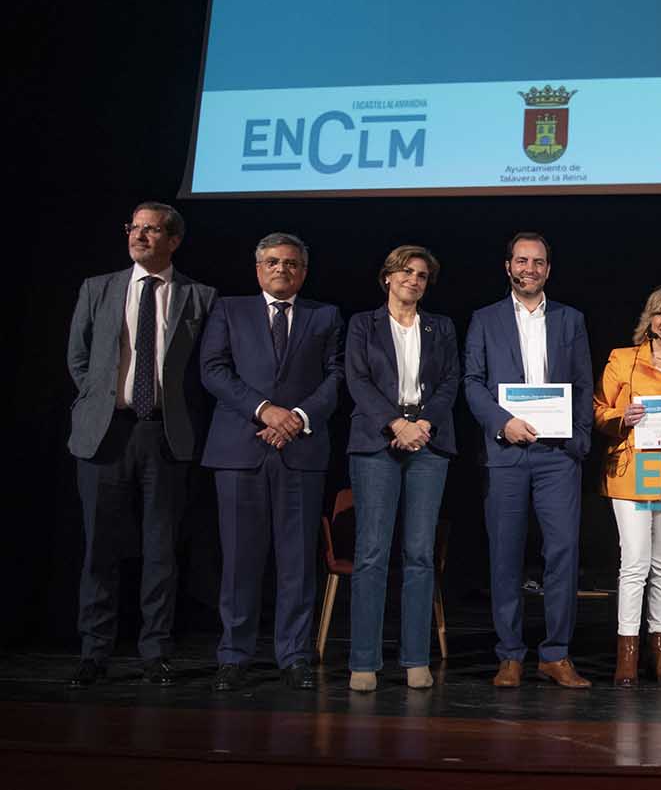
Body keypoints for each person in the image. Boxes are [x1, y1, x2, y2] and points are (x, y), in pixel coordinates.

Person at [65, 202, 217, 687]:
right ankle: (94, 650)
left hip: (164, 434)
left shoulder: (199, 296)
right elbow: (78, 357)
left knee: (161, 549)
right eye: (135, 227)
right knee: (100, 548)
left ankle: (155, 650)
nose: (140, 236)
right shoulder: (98, 288)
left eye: (152, 230)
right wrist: (99, 399)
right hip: (106, 432)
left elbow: (204, 369)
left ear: (174, 240)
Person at [201, 232, 344, 692]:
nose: (282, 269)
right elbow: (213, 370)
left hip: (300, 450)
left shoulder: (325, 315)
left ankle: (295, 655)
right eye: (273, 262)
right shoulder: (229, 309)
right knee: (239, 560)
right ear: (258, 268)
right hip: (239, 450)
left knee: (297, 561)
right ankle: (234, 655)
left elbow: (336, 375)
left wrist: (296, 418)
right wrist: (265, 411)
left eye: (291, 263)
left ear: (304, 271)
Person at [463, 232, 594, 688]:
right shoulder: (485, 319)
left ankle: (556, 654)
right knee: (505, 555)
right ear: (508, 267)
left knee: (563, 553)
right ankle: (510, 655)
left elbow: (583, 382)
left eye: (538, 262)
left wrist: (579, 439)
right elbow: (472, 382)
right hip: (507, 452)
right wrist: (503, 423)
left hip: (557, 455)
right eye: (522, 261)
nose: (529, 269)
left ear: (548, 270)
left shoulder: (570, 319)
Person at [344, 246, 460, 692]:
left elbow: (450, 381)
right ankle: (364, 661)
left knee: (420, 553)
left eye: (422, 275)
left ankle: (415, 658)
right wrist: (396, 424)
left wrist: (423, 424)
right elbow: (357, 380)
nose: (413, 280)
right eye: (406, 272)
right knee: (372, 552)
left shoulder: (441, 327)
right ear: (387, 277)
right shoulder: (363, 324)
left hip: (428, 442)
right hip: (378, 441)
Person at [593, 286, 661, 686]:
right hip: (634, 472)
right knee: (635, 563)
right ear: (649, 320)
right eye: (660, 313)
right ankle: (627, 652)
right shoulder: (624, 359)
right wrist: (620, 417)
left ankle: (658, 650)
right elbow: (599, 410)